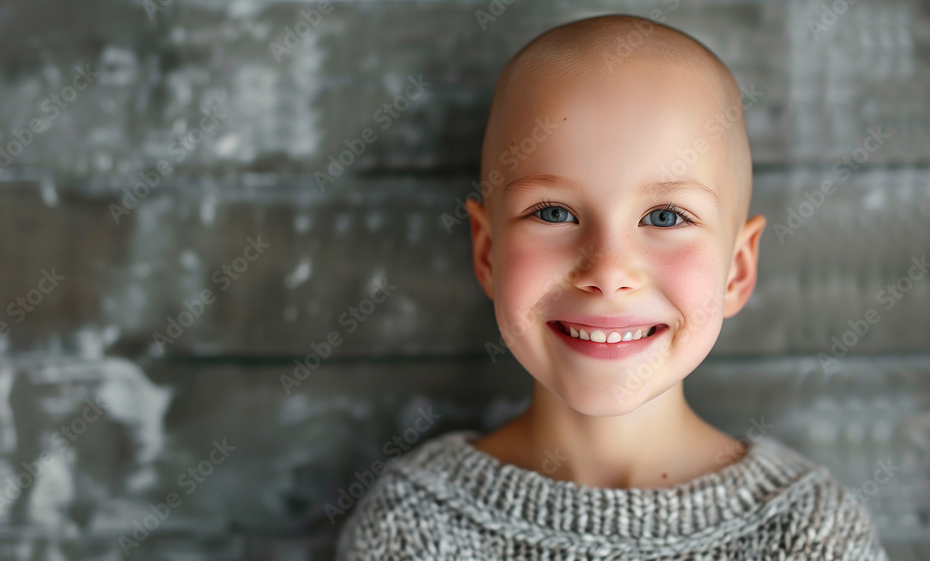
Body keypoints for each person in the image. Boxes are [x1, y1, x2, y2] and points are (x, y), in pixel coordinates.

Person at [335, 14, 889, 560]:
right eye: (553, 212)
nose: (607, 270)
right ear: (487, 252)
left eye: (667, 217)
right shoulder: (411, 528)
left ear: (737, 270)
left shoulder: (809, 533)